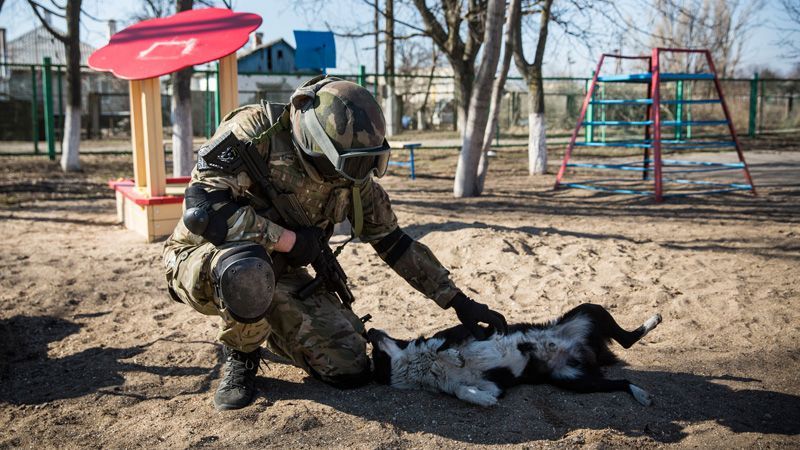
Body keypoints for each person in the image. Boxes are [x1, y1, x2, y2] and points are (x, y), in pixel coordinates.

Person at [162, 76, 507, 410]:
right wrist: (288, 240)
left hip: (279, 271)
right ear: (316, 143)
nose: (360, 172)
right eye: (353, 162)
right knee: (249, 270)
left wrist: (456, 300)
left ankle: (265, 321)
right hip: (206, 260)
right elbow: (203, 210)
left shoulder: (352, 174)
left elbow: (394, 243)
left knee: (349, 368)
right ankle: (242, 356)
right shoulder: (256, 131)